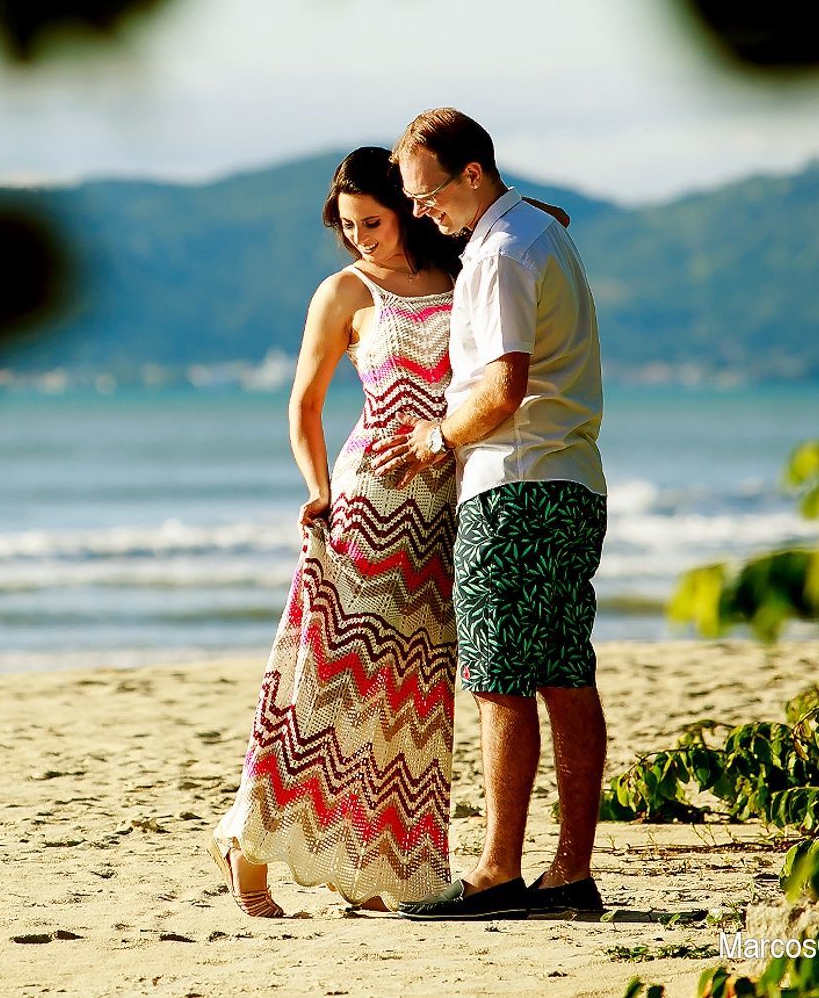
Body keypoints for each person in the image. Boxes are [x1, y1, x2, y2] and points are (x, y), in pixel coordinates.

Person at [208, 145, 466, 916]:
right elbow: (304, 406)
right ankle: (246, 848)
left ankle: (380, 865)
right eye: (348, 225)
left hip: (439, 510)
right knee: (325, 684)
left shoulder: (461, 277)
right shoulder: (343, 293)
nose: (361, 238)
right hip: (363, 505)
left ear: (410, 209)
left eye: (374, 222)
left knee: (414, 694)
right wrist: (318, 490)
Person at [376, 107, 609, 921]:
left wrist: (435, 436)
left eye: (426, 193)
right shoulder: (529, 232)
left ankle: (498, 871)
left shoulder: (505, 253)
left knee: (499, 680)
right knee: (562, 671)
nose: (417, 211)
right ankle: (570, 874)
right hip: (570, 478)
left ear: (472, 175)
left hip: (514, 483)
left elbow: (504, 386)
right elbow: (535, 219)